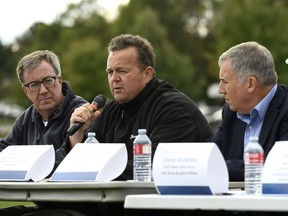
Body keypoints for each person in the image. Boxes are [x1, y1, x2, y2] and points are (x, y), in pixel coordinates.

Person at [67, 34, 214, 215]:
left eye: (122, 71)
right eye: (110, 72)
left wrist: (96, 168)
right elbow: (77, 166)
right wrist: (76, 137)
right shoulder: (111, 110)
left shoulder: (174, 109)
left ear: (147, 74)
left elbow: (155, 169)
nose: (114, 78)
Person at [0, 50, 88, 216]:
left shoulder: (82, 114)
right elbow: (5, 151)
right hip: (44, 207)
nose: (43, 90)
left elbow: (73, 165)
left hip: (81, 208)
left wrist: (27, 164)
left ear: (59, 80)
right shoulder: (26, 119)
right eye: (34, 85)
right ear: (26, 91)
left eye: (48, 81)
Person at [212, 41, 288, 182]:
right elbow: (210, 159)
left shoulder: (285, 109)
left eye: (225, 82)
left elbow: (279, 167)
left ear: (251, 84)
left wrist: (220, 167)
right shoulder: (231, 113)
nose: (220, 90)